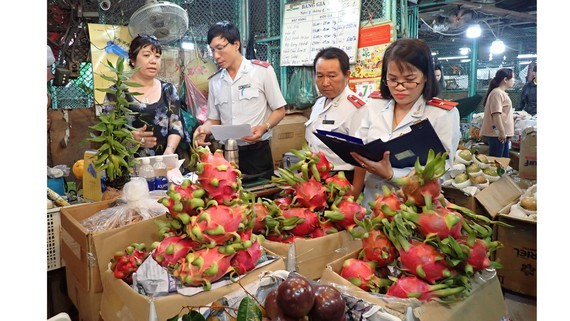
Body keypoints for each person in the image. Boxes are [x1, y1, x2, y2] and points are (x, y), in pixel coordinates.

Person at [350, 38, 460, 208]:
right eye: (392, 79)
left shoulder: (442, 114)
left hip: (412, 212)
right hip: (371, 206)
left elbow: (440, 171)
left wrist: (391, 174)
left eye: (409, 79)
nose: (400, 87)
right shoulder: (374, 105)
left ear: (426, 77)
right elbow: (360, 146)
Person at [194, 20, 287, 180]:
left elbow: (279, 110)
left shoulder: (262, 71)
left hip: (257, 154)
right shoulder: (215, 81)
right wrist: (202, 130)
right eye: (212, 50)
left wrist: (264, 127)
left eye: (220, 48)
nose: (216, 56)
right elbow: (213, 120)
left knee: (261, 200)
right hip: (225, 156)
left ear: (236, 44)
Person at [102, 34, 189, 158]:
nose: (153, 61)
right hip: (129, 165)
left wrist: (169, 152)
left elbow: (176, 125)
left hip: (164, 162)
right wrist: (129, 138)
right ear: (132, 60)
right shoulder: (116, 92)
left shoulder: (168, 90)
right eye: (146, 55)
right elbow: (108, 132)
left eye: (157, 56)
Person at [304, 47, 369, 183]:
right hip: (316, 177)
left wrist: (355, 193)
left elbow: (362, 155)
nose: (325, 82)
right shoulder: (319, 103)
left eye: (332, 76)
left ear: (346, 75)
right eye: (320, 76)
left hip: (341, 179)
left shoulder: (356, 108)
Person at [480, 68, 516, 157]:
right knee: (497, 161)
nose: (514, 80)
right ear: (505, 80)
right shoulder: (497, 93)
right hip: (497, 135)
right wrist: (501, 131)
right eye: (513, 78)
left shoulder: (500, 93)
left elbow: (502, 112)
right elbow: (496, 114)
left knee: (503, 161)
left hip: (501, 134)